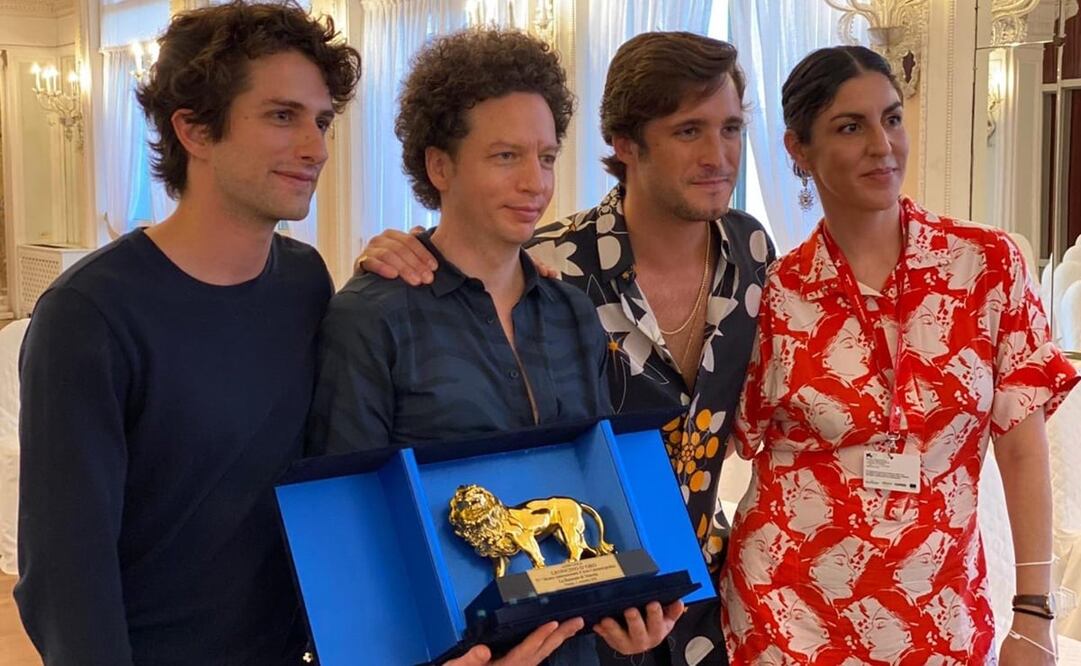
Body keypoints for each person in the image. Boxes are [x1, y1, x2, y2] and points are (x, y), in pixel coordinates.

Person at [357, 31, 773, 665]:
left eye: (732, 128)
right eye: (690, 130)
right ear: (625, 145)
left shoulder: (752, 252)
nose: (718, 154)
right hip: (538, 611)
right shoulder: (554, 268)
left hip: (685, 590)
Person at [306, 28, 682, 665]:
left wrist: (633, 607)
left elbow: (598, 477)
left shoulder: (571, 310)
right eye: (506, 156)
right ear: (440, 166)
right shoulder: (371, 317)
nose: (535, 183)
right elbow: (351, 531)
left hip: (574, 646)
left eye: (546, 156)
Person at [14, 2, 360, 664]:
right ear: (195, 130)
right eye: (282, 116)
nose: (315, 147)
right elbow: (64, 577)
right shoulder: (89, 314)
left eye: (322, 121)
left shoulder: (305, 280)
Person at [721, 45, 1079, 665]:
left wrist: (1033, 612)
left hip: (941, 613)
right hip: (787, 616)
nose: (882, 145)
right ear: (798, 150)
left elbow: (1022, 452)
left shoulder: (986, 268)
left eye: (891, 119)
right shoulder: (774, 294)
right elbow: (720, 443)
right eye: (849, 126)